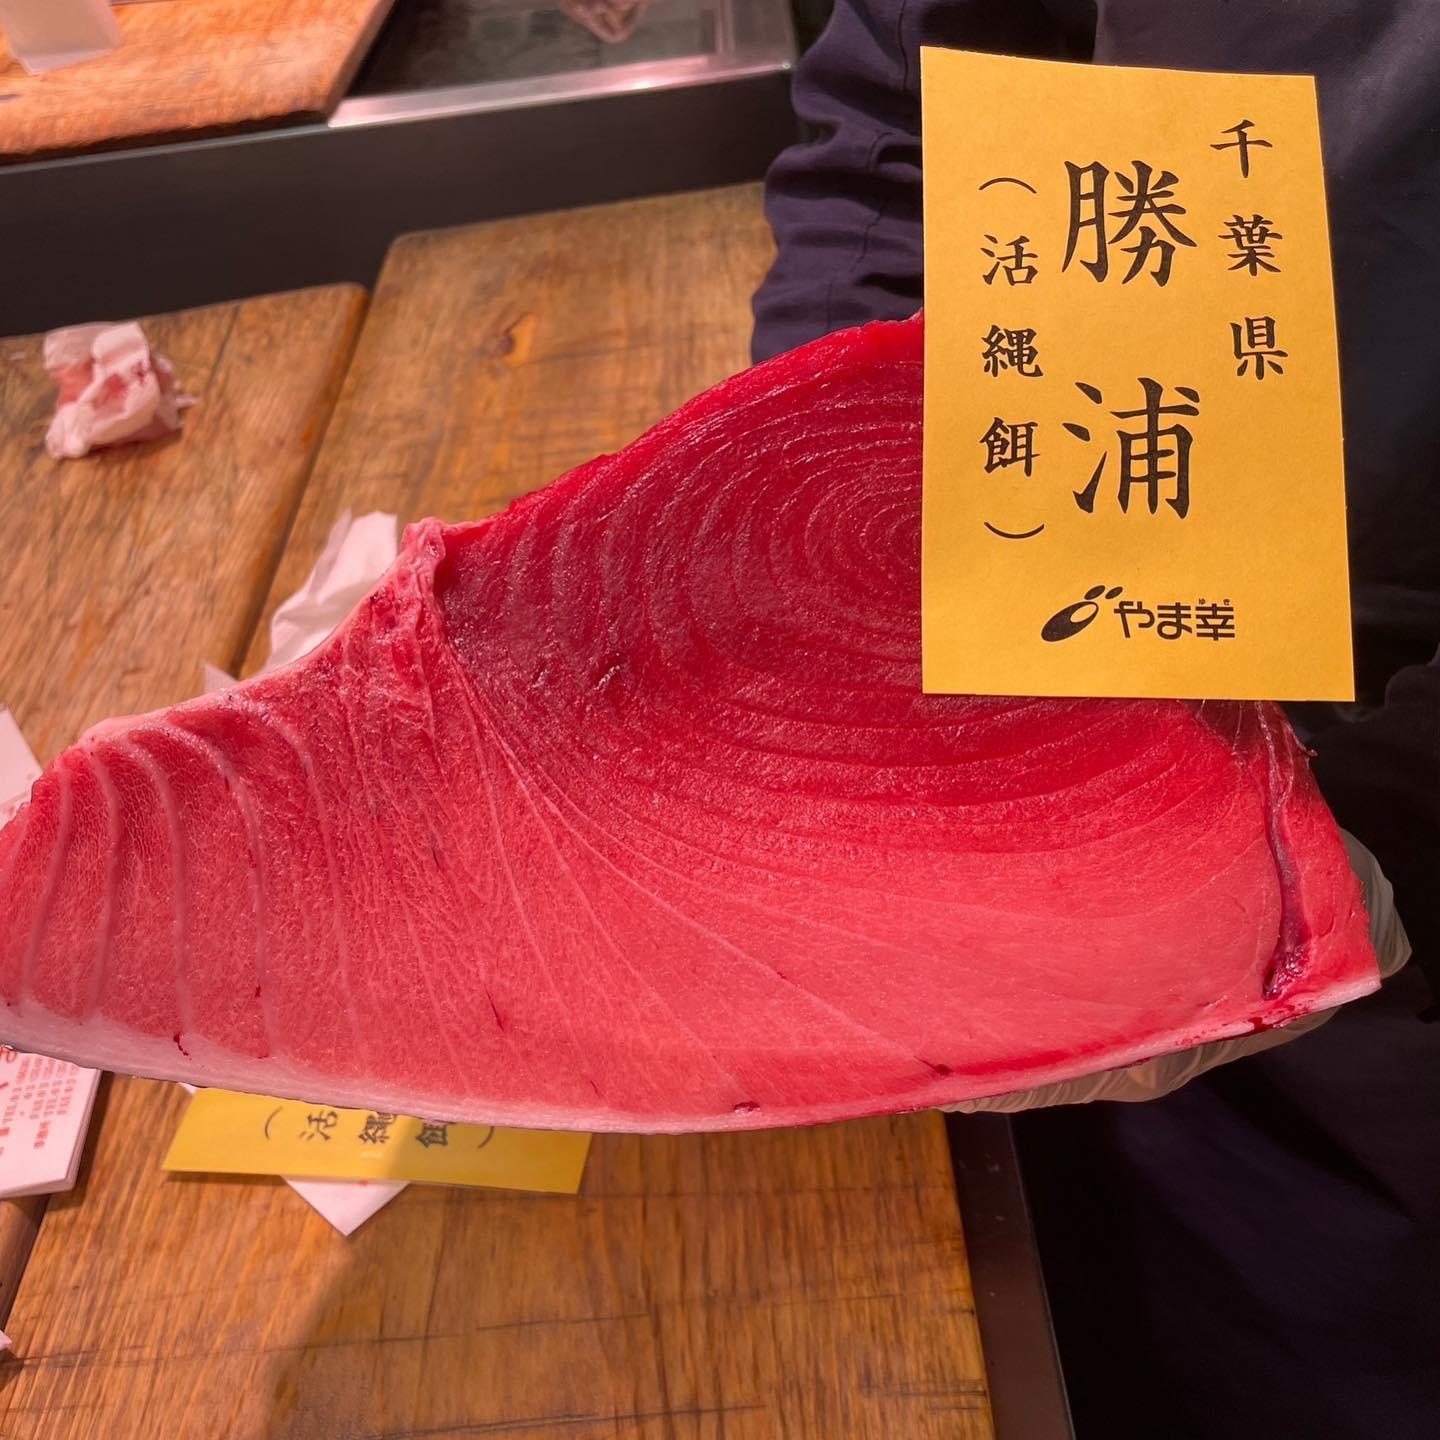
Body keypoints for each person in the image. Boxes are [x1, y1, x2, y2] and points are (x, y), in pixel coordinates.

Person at [750, 4, 1440, 1436]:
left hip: (1396, 902)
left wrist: (1394, 824)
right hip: (1042, 690)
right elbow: (902, 120)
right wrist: (823, 489)